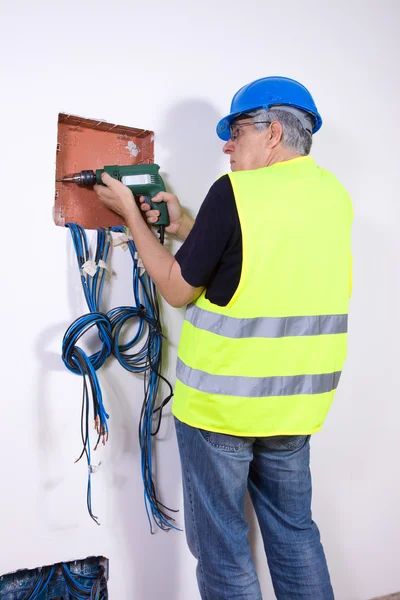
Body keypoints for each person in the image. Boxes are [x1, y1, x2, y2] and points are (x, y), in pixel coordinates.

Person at [94, 76, 352, 600]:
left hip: (222, 410)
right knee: (295, 535)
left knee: (224, 553)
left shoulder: (236, 192)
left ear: (273, 132)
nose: (227, 145)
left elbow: (175, 288)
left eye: (236, 132)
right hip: (293, 409)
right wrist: (190, 223)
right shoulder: (333, 195)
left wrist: (130, 218)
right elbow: (258, 260)